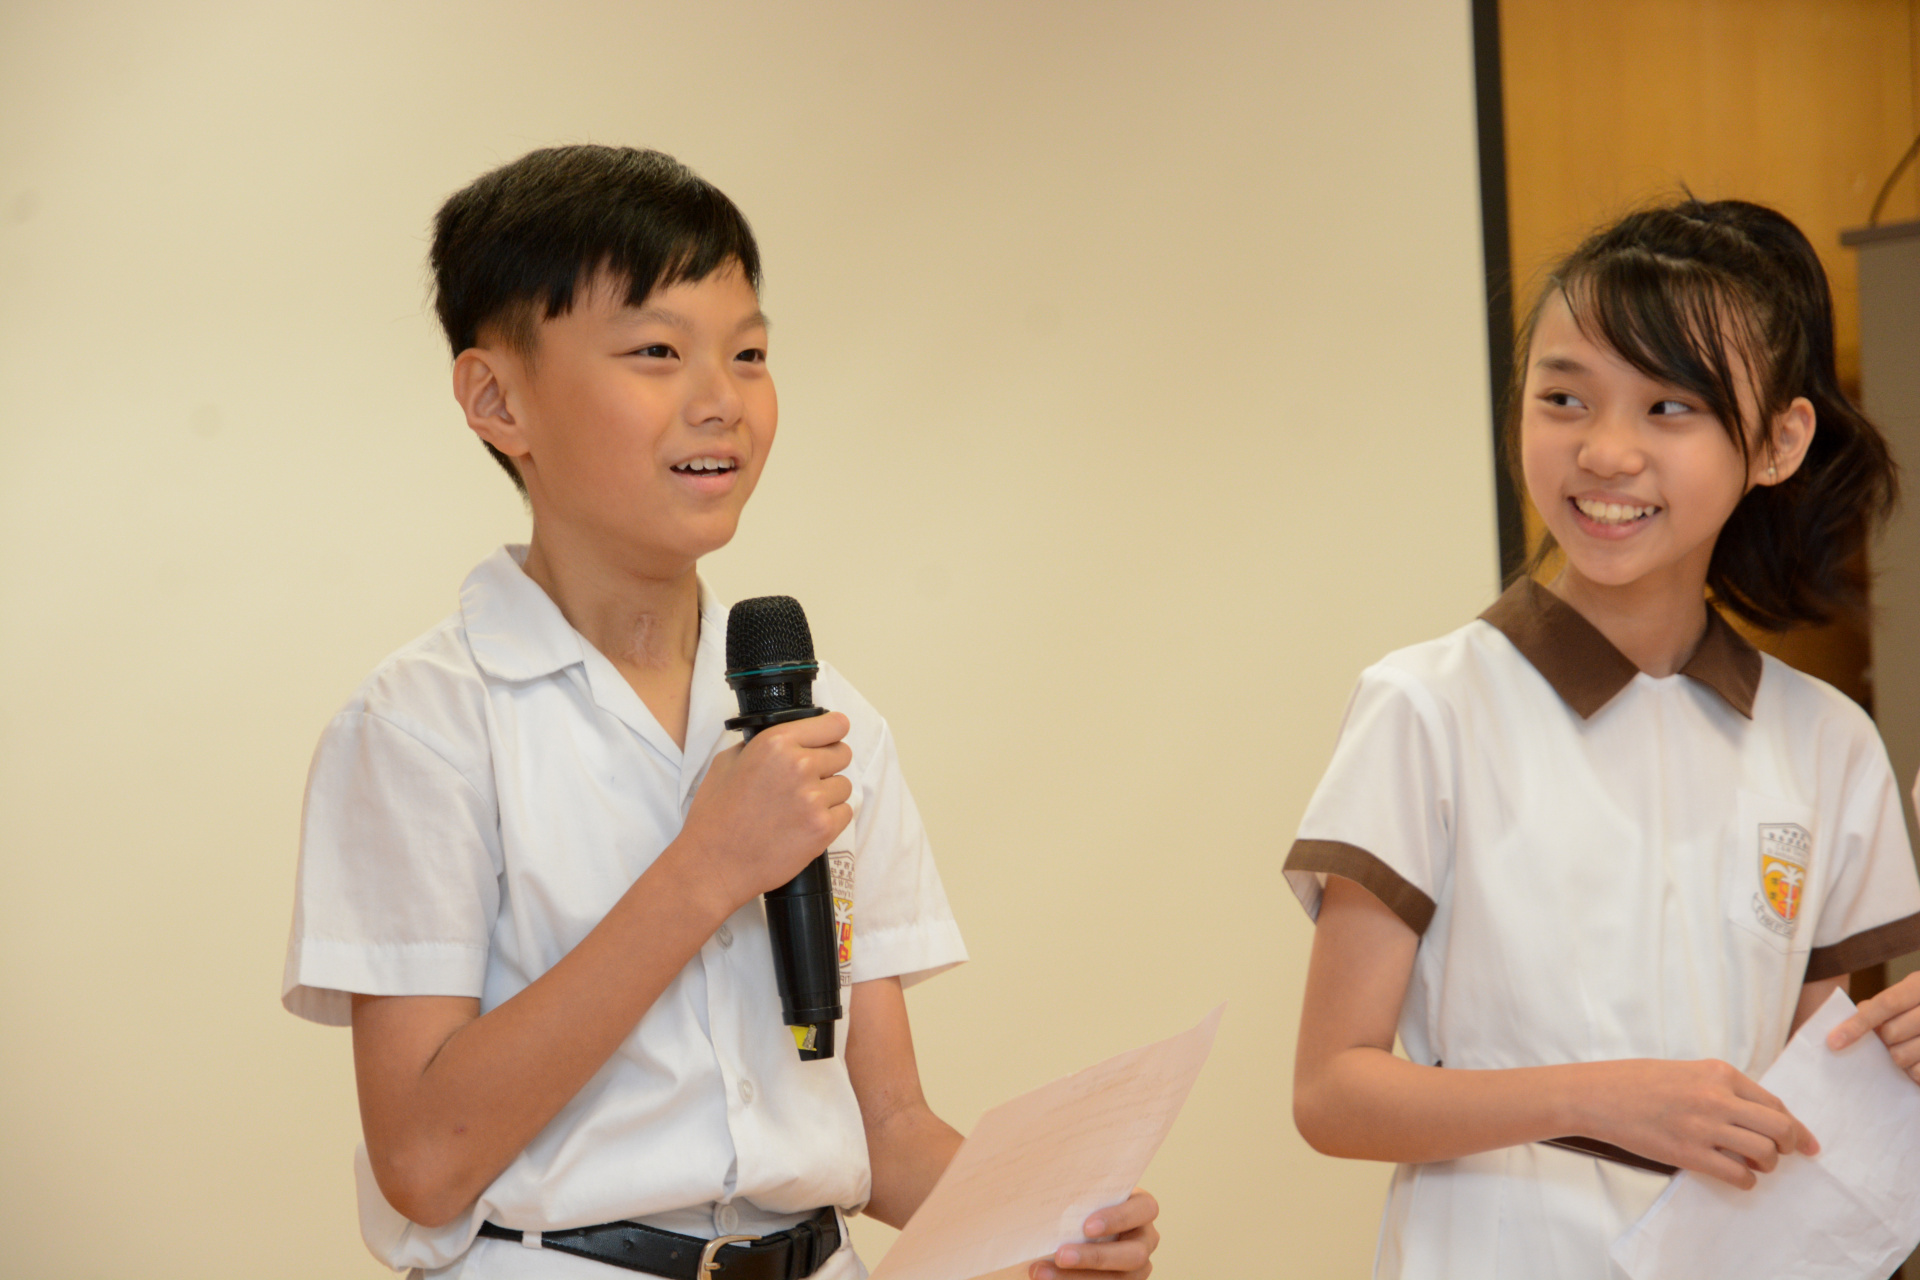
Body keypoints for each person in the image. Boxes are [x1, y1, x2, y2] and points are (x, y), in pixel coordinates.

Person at [281, 145, 1158, 1280]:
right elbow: (424, 1157)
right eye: (657, 352)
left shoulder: (827, 719)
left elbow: (887, 1128)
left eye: (748, 354)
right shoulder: (422, 726)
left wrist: (1049, 1223)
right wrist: (706, 867)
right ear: (498, 399)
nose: (721, 401)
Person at [1285, 197, 1920, 1279]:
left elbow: (1820, 1104)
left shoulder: (1829, 743)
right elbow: (1331, 1091)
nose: (1606, 450)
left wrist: (1898, 1063)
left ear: (1778, 442)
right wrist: (1597, 1097)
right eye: (1564, 398)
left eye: (1670, 406)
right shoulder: (1426, 707)